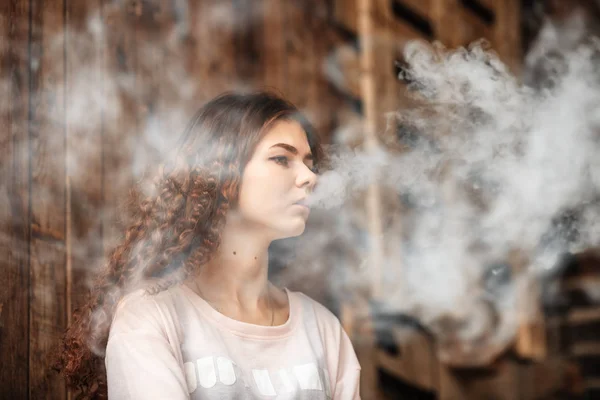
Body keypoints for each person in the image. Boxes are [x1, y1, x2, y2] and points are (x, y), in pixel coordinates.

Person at [55, 91, 361, 399]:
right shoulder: (151, 319)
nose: (309, 177)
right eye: (281, 158)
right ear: (219, 173)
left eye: (310, 164)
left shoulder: (322, 330)